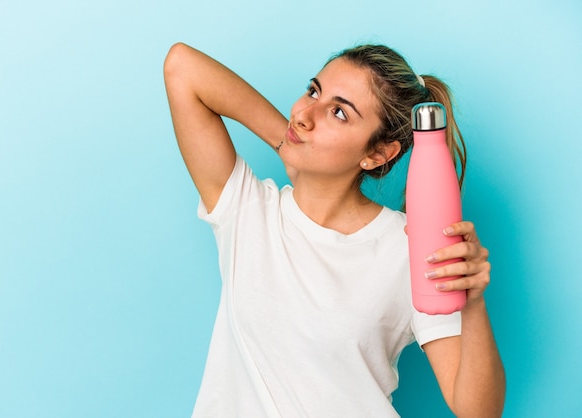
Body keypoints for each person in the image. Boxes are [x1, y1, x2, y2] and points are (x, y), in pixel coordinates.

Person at [163, 42, 505, 417]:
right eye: (313, 91)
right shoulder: (247, 211)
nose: (305, 115)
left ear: (379, 154)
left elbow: (478, 412)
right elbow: (182, 67)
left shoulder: (410, 247)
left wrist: (472, 304)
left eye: (339, 113)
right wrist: (288, 144)